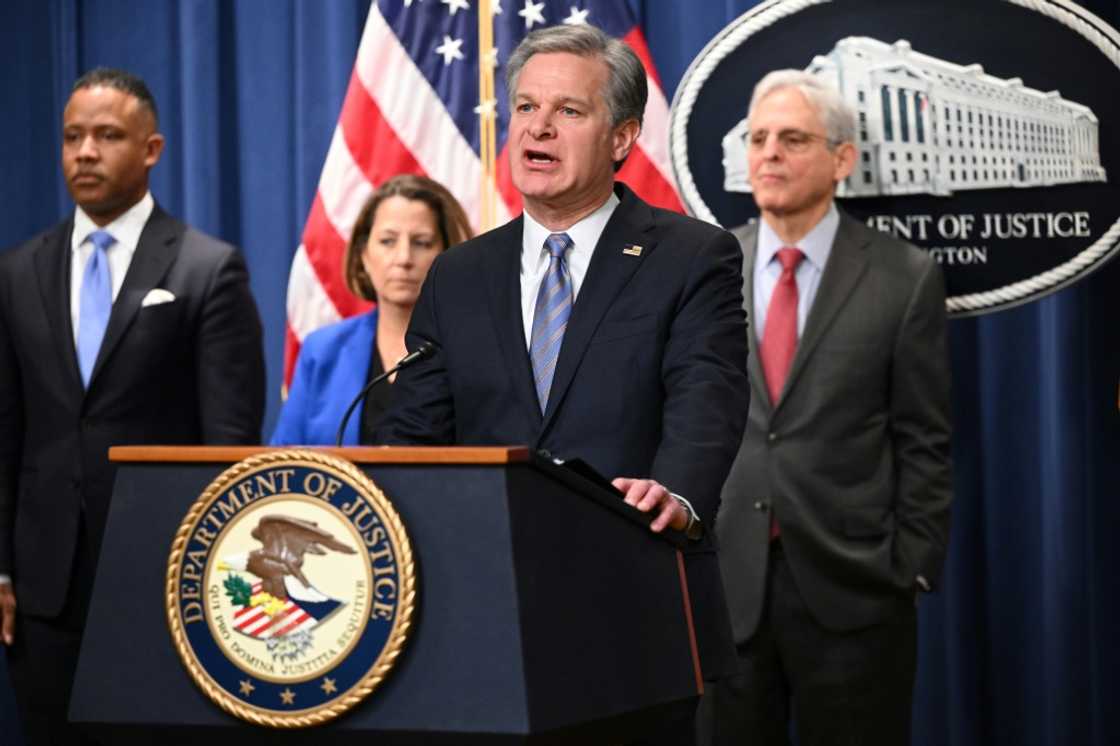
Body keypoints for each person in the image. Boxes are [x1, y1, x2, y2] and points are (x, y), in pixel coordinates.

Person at [375, 24, 750, 743]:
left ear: (622, 138)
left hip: (633, 608)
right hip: (480, 616)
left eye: (568, 112)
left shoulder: (690, 256)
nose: (537, 128)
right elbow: (415, 432)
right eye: (524, 108)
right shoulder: (460, 274)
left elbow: (708, 399)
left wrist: (675, 491)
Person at [0, 67, 265, 746]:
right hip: (42, 590)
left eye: (107, 135)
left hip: (165, 579)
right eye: (72, 137)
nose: (84, 152)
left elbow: (229, 443)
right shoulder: (17, 271)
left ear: (151, 149)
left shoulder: (208, 269)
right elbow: (7, 432)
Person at [698, 70, 952, 746]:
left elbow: (924, 438)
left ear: (842, 158)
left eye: (791, 138)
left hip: (855, 593)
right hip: (729, 592)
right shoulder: (709, 267)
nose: (769, 154)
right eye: (757, 139)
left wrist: (910, 566)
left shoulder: (904, 276)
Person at [270, 175, 472, 445]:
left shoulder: (475, 352)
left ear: (447, 254)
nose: (403, 259)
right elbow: (282, 461)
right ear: (364, 255)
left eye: (421, 242)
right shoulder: (323, 351)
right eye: (387, 241)